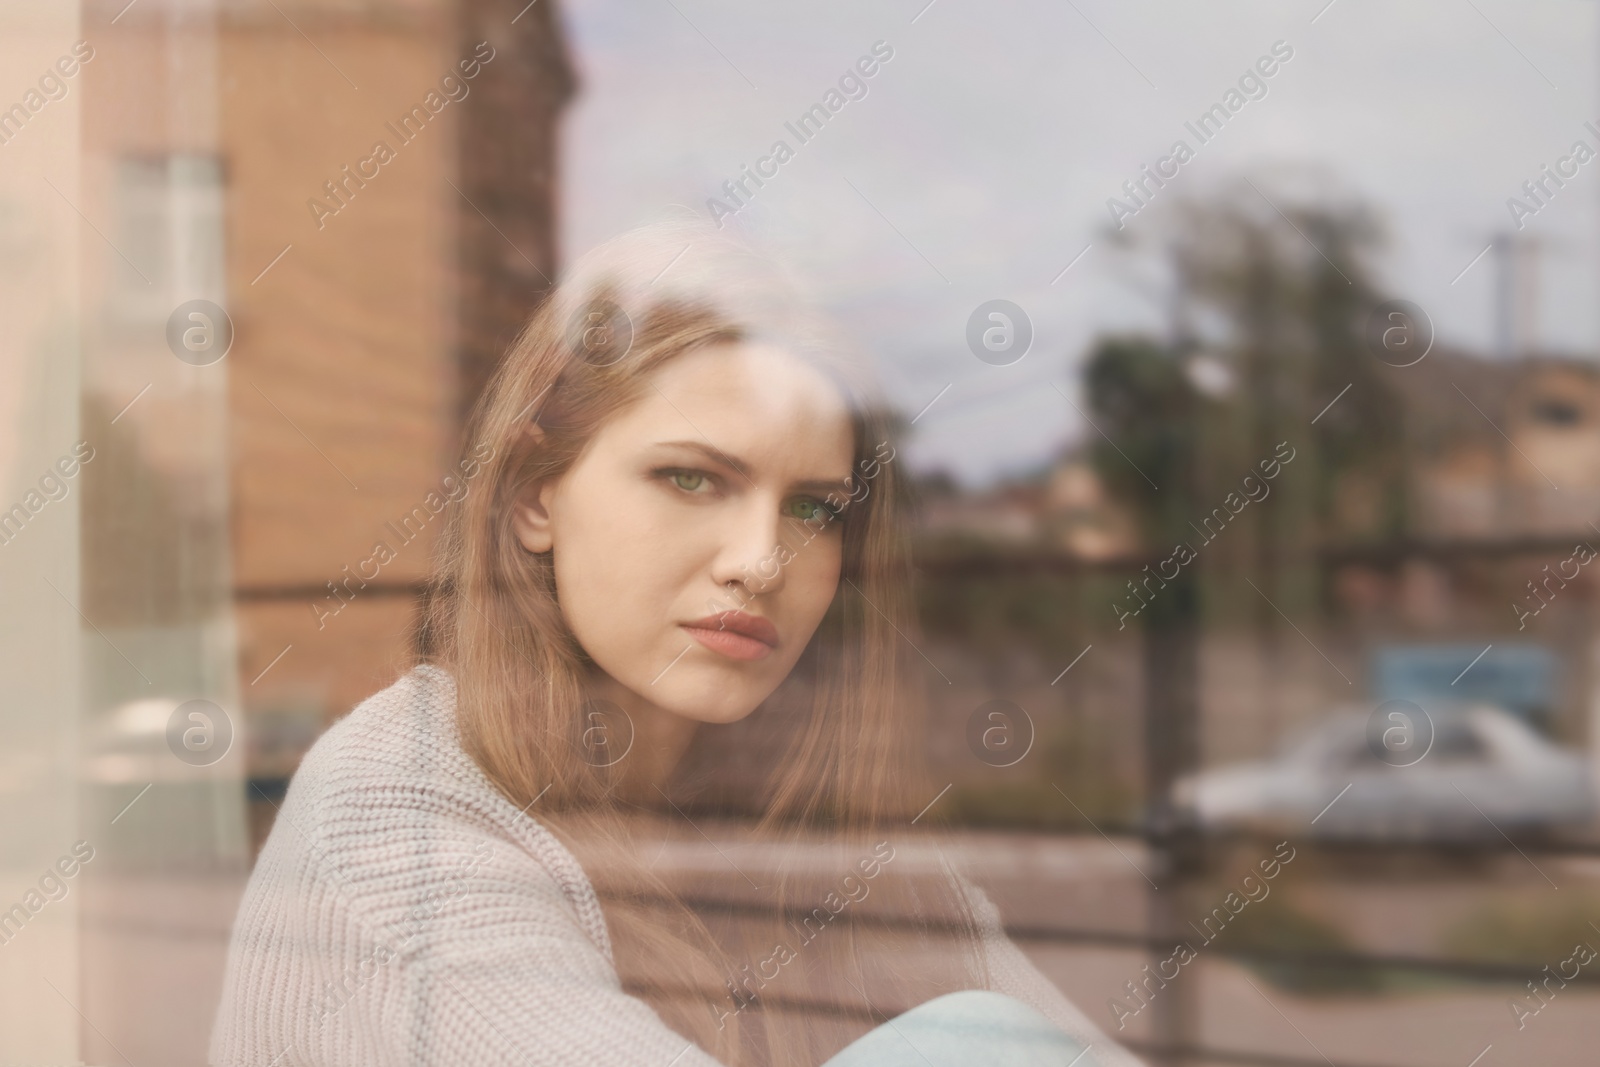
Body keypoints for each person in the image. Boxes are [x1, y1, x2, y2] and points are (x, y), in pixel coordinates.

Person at [209, 219, 1144, 1067]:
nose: (760, 561)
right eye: (692, 479)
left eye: (814, 508)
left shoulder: (824, 834)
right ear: (537, 494)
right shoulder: (392, 807)